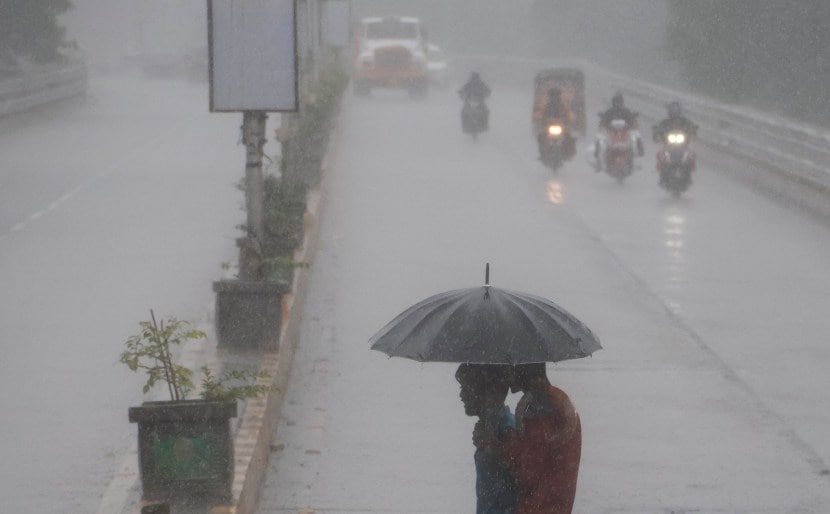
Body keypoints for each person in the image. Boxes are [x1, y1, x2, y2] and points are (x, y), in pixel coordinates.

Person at [503, 363, 582, 514]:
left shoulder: (542, 412)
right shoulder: (558, 403)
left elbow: (528, 471)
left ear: (521, 370)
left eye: (509, 366)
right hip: (556, 505)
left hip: (537, 507)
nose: (504, 372)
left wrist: (498, 445)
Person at [456, 363, 518, 514]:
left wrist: (492, 444)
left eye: (466, 388)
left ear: (483, 392)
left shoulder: (506, 429)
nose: (461, 395)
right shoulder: (491, 426)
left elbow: (517, 485)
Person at [594, 92, 644, 170]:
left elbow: (632, 120)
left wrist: (633, 123)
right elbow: (603, 121)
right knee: (600, 139)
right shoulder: (609, 112)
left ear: (621, 102)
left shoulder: (626, 112)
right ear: (613, 102)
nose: (617, 103)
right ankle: (598, 158)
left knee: (637, 136)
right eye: (616, 101)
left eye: (619, 102)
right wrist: (603, 124)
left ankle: (640, 151)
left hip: (624, 134)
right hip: (611, 134)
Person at [537, 87, 576, 160]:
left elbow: (567, 115)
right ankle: (542, 153)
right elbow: (543, 116)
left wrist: (567, 121)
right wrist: (543, 122)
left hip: (561, 126)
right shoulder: (547, 106)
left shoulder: (562, 106)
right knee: (541, 137)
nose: (554, 98)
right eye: (553, 95)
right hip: (549, 127)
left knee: (569, 138)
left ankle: (569, 153)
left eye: (556, 95)